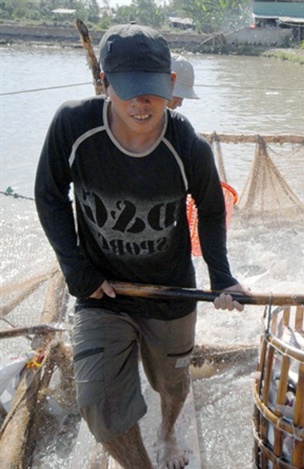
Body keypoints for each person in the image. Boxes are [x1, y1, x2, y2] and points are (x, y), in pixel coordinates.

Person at [34, 24, 249, 469]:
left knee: (171, 384)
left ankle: (169, 433)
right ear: (104, 83)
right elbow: (50, 195)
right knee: (97, 401)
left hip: (169, 292)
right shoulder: (73, 126)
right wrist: (78, 272)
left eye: (150, 91)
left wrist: (222, 276)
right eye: (127, 90)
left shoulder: (188, 146)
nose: (140, 103)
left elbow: (211, 210)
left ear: (170, 87)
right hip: (103, 290)